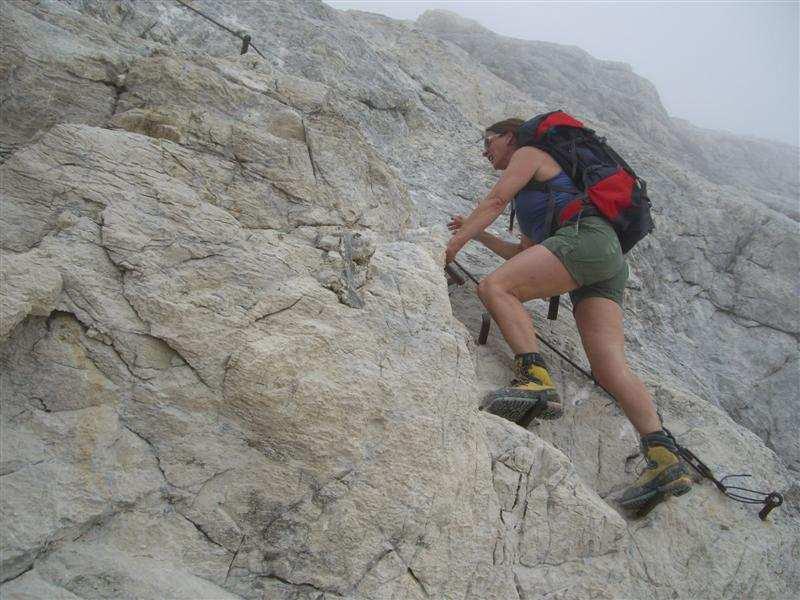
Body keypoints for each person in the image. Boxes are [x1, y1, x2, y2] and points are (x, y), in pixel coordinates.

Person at [446, 118, 692, 511]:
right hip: (605, 257)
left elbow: (492, 202)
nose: (485, 151)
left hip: (585, 240)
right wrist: (477, 235)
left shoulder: (528, 154)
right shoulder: (535, 198)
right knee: (611, 369)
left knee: (494, 287)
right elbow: (523, 254)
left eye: (489, 141)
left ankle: (535, 379)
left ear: (510, 137)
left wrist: (450, 249)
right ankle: (663, 458)